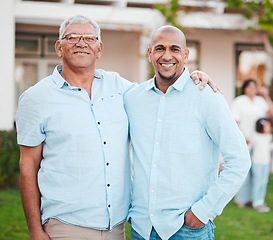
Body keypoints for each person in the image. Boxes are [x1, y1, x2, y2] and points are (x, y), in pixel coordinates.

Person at [16, 15, 217, 240]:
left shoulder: (120, 88)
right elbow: (28, 165)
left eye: (89, 38)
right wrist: (35, 229)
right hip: (67, 226)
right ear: (59, 47)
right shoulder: (36, 98)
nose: (81, 43)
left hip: (116, 227)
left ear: (99, 49)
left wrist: (191, 80)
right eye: (72, 37)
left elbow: (160, 90)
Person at [124, 25, 251, 240]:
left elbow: (239, 160)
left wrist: (203, 212)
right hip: (141, 228)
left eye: (174, 49)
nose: (167, 56)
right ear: (149, 54)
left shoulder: (206, 96)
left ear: (186, 55)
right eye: (159, 48)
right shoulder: (132, 98)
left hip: (186, 230)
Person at [230, 79, 273, 208]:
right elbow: (235, 121)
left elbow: (272, 113)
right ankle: (240, 200)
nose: (252, 89)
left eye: (255, 87)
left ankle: (253, 199)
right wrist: (241, 137)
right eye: (250, 87)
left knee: (256, 173)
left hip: (259, 142)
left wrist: (266, 96)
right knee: (244, 172)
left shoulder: (260, 102)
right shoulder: (239, 101)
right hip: (244, 141)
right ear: (244, 88)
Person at [249, 118, 273, 212]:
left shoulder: (269, 137)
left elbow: (269, 148)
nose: (269, 128)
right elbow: (249, 147)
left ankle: (261, 201)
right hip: (257, 162)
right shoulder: (255, 136)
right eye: (267, 126)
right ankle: (256, 202)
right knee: (257, 182)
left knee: (263, 181)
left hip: (266, 162)